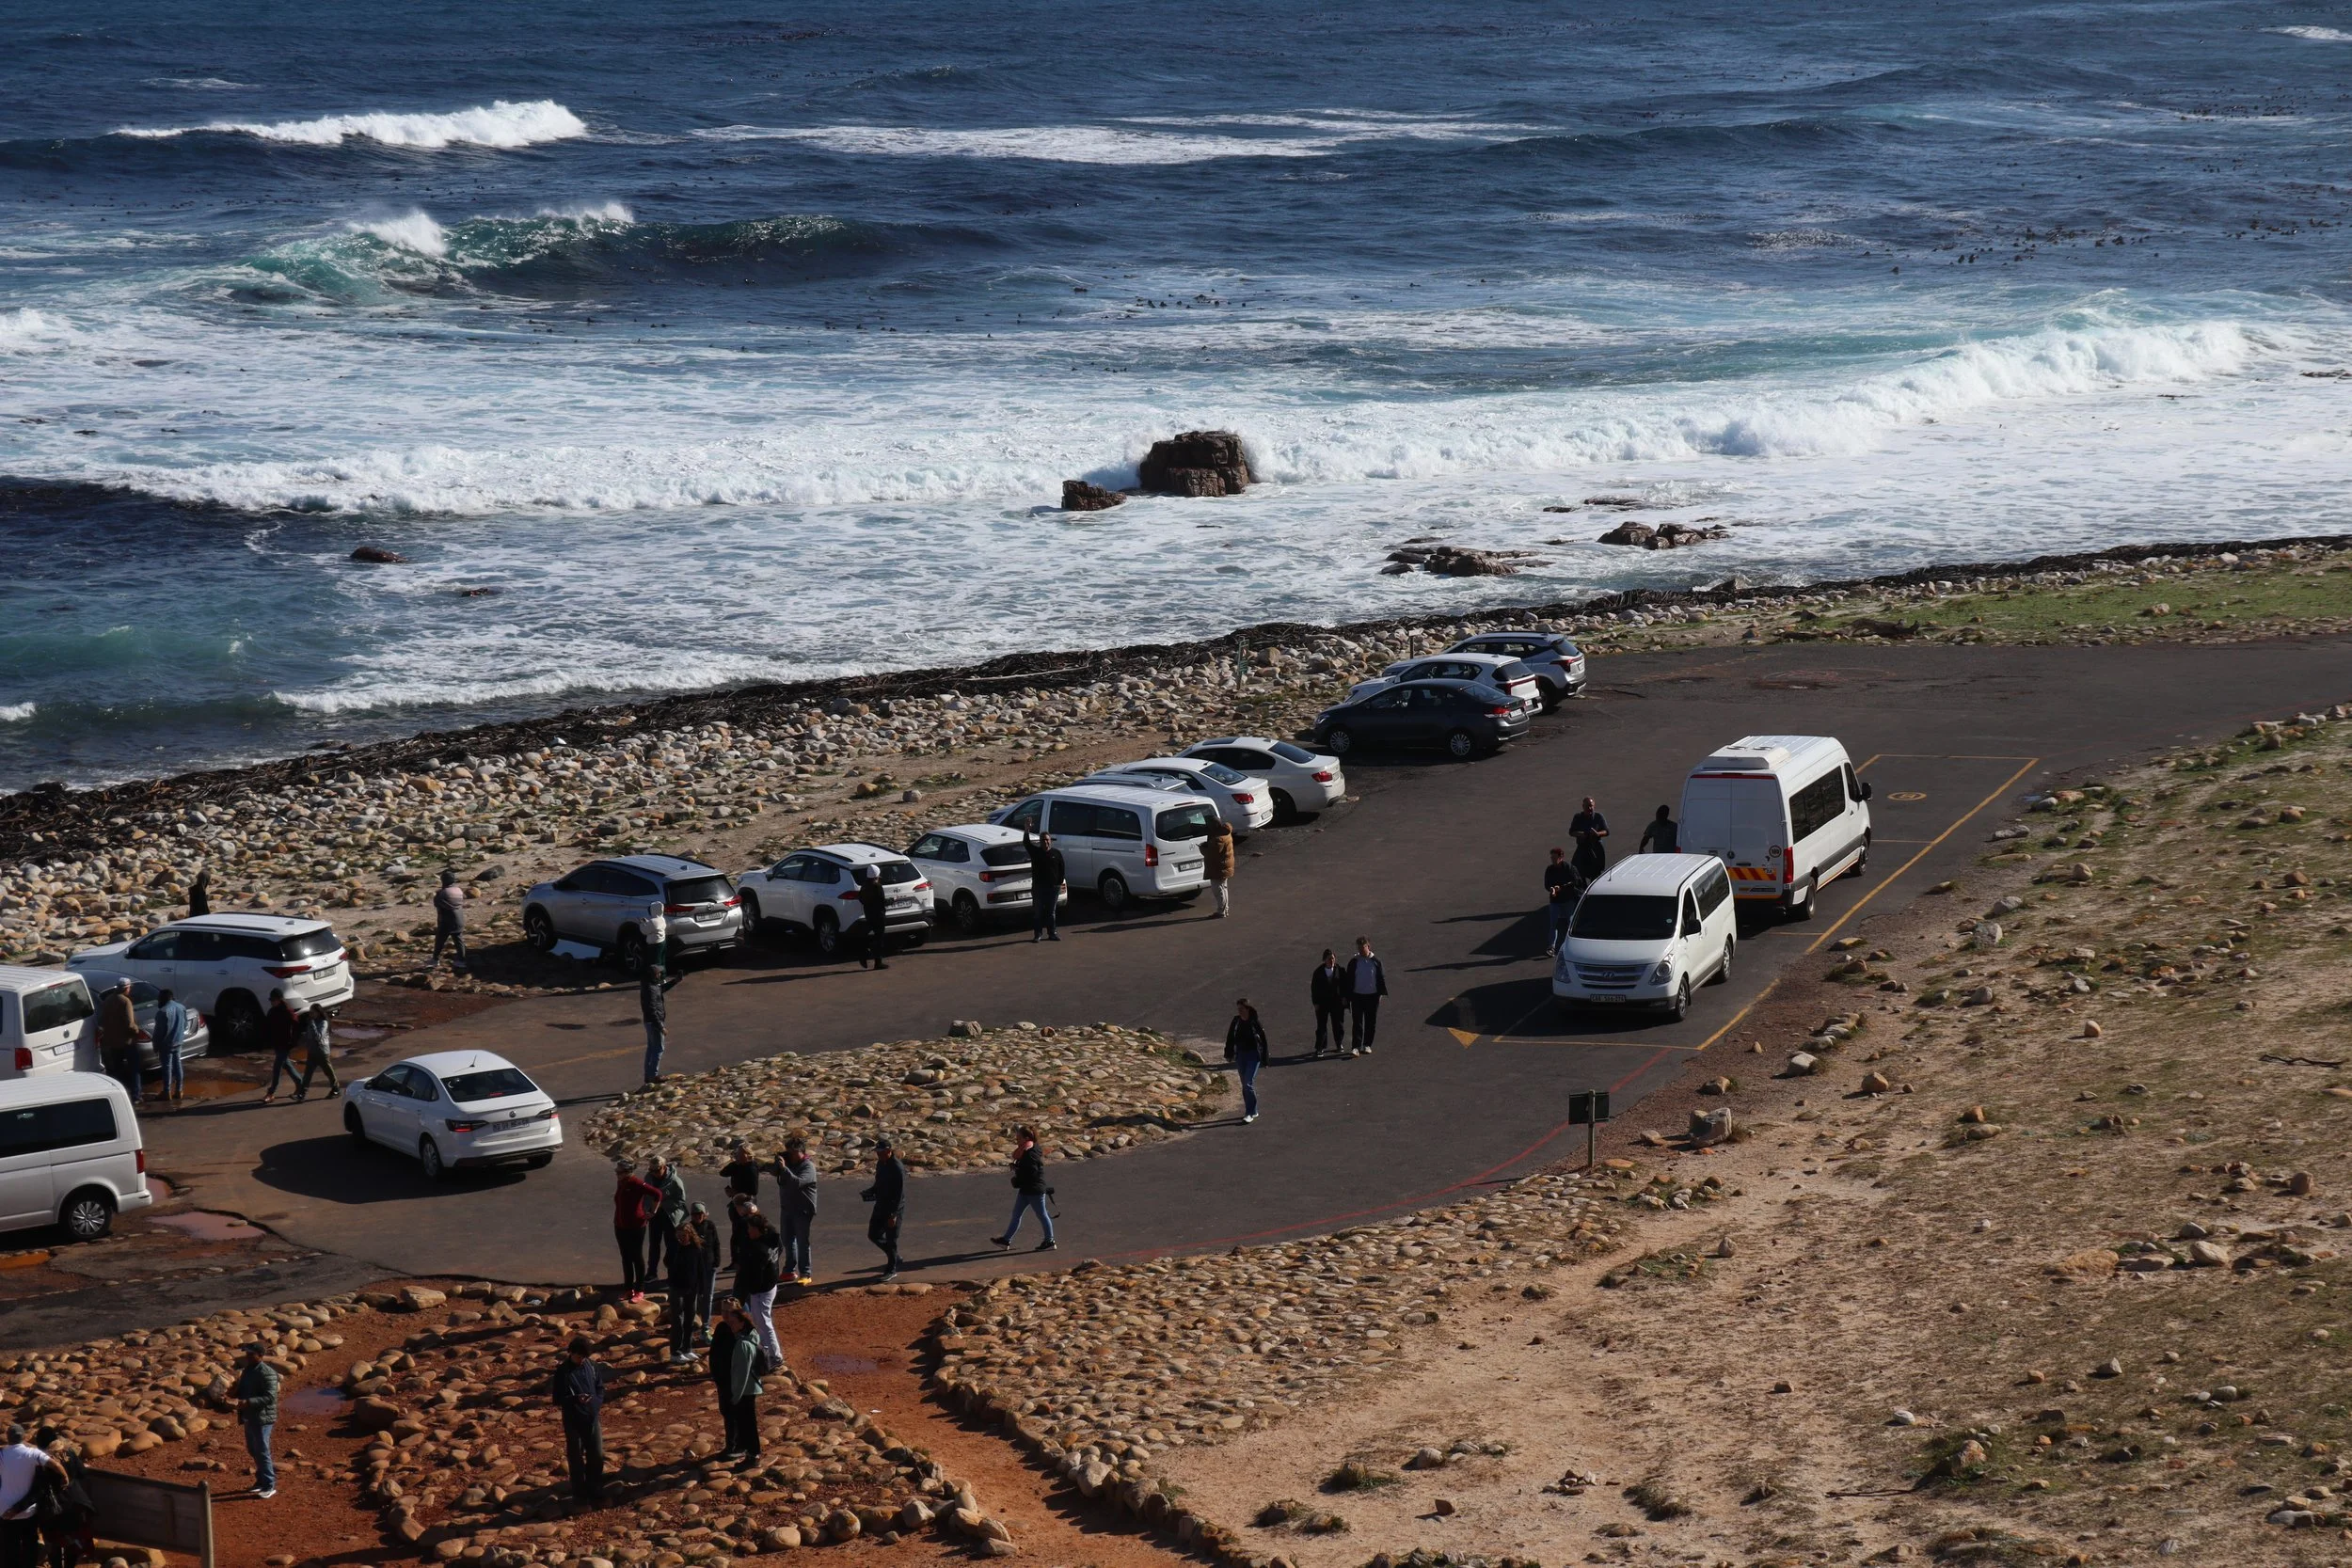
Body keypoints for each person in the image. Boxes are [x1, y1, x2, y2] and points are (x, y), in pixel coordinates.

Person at [550, 1337, 611, 1507]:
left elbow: (600, 1388)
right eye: (579, 1357)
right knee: (576, 1458)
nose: (581, 1360)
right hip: (573, 1420)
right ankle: (579, 1493)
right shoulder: (563, 1372)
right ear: (571, 1353)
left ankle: (595, 1487)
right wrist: (576, 1399)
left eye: (584, 1357)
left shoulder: (591, 1366)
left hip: (592, 1417)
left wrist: (596, 1403)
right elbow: (557, 1399)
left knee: (596, 1455)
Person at [31, 1424, 93, 1568]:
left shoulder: (42, 1460)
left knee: (54, 1546)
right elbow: (83, 1473)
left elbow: (39, 1487)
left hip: (53, 1509)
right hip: (75, 1504)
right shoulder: (69, 1451)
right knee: (72, 1544)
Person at [710, 1300, 764, 1465]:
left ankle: (746, 1452)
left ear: (741, 1319)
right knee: (736, 1418)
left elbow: (742, 1373)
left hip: (740, 1389)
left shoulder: (743, 1342)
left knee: (745, 1422)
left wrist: (736, 1395)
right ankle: (740, 1449)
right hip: (731, 1383)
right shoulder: (728, 1330)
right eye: (723, 1311)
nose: (726, 1316)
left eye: (730, 1314)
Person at [0, 1426, 63, 1565]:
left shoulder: (2, 1454)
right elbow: (56, 1466)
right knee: (30, 1545)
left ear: (8, 1437)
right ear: (23, 1437)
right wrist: (65, 1478)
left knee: (9, 1548)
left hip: (4, 1509)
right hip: (28, 1511)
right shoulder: (33, 1454)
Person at [731, 1209, 785, 1369]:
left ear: (757, 1229)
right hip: (766, 1286)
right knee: (760, 1320)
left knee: (763, 1321)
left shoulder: (758, 1249)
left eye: (750, 1228)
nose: (748, 1231)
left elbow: (752, 1273)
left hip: (762, 1288)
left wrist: (747, 1289)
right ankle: (765, 1352)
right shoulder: (771, 1240)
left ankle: (775, 1356)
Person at [993, 1126, 1056, 1250]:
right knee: (1017, 1214)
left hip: (1034, 1190)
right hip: (1027, 1189)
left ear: (1026, 1138)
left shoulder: (1030, 1153)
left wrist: (1018, 1172)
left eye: (1018, 1137)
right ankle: (1006, 1240)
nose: (1016, 1140)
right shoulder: (1029, 1149)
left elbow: (1032, 1172)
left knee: (1042, 1215)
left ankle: (1050, 1241)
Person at [667, 1204, 716, 1365]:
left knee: (689, 1319)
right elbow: (667, 1262)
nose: (680, 1239)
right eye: (678, 1236)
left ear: (689, 1235)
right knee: (678, 1320)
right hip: (677, 1288)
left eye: (683, 1236)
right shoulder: (674, 1248)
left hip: (692, 1289)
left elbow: (701, 1270)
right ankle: (675, 1351)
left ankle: (687, 1348)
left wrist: (701, 1288)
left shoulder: (697, 1248)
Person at [232, 1342, 279, 1498]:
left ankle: (269, 1485)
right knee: (253, 1449)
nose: (247, 1357)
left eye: (251, 1354)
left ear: (260, 1356)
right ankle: (260, 1481)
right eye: (247, 1354)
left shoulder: (268, 1373)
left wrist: (249, 1402)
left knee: (262, 1450)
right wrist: (233, 1392)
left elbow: (270, 1397)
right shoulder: (248, 1370)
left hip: (262, 1418)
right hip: (249, 1416)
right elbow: (243, 1390)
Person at [612, 1159, 662, 1299]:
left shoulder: (637, 1183)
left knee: (636, 1257)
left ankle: (639, 1289)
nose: (616, 1173)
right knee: (625, 1257)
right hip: (620, 1226)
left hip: (636, 1226)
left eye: (619, 1171)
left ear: (627, 1172)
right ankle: (628, 1289)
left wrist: (652, 1212)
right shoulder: (621, 1182)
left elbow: (657, 1194)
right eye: (616, 1171)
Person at [861, 1136, 906, 1282]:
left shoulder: (897, 1168)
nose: (878, 1155)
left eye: (881, 1152)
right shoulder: (881, 1164)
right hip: (880, 1205)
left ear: (889, 1151)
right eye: (877, 1152)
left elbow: (899, 1193)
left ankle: (891, 1269)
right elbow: (878, 1183)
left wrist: (893, 1214)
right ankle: (895, 1256)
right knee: (873, 1235)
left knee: (892, 1239)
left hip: (893, 1209)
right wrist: (871, 1191)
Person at [94, 979, 146, 1103]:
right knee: (134, 1069)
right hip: (127, 1041)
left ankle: (120, 1096)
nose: (130, 990)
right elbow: (129, 1024)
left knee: (118, 1070)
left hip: (112, 1042)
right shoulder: (125, 1001)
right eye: (129, 988)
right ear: (126, 988)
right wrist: (137, 1031)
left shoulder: (108, 1000)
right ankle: (136, 1096)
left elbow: (102, 1020)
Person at [777, 1137, 818, 1286]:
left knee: (802, 1242)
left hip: (803, 1210)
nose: (789, 1155)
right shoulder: (788, 1163)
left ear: (800, 1151)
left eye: (791, 1152)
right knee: (788, 1240)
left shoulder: (808, 1166)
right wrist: (777, 1165)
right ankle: (789, 1270)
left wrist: (784, 1169)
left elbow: (798, 1182)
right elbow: (773, 1172)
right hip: (787, 1208)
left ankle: (805, 1273)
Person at [638, 959, 681, 1085]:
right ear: (653, 975)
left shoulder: (650, 985)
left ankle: (648, 1075)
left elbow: (661, 989)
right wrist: (661, 1026)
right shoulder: (650, 989)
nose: (660, 975)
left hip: (649, 1022)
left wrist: (675, 981)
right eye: (658, 974)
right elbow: (652, 1010)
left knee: (651, 1048)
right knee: (659, 1049)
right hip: (654, 1022)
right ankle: (653, 1076)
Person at [721, 1140, 763, 1267]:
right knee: (736, 1233)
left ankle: (744, 1260)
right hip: (737, 1201)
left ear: (748, 1155)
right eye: (737, 1154)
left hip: (746, 1204)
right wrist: (735, 1163)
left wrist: (736, 1193)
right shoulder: (738, 1166)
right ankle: (736, 1261)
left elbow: (754, 1190)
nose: (737, 1156)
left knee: (745, 1232)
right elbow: (723, 1173)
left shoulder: (751, 1168)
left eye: (740, 1154)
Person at [1225, 1000, 1268, 1123]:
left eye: (1242, 1009)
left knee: (1248, 1083)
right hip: (1241, 1056)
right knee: (1245, 1085)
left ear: (1248, 1009)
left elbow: (1263, 1041)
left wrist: (1265, 1060)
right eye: (1238, 1009)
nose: (1240, 1012)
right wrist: (1228, 1054)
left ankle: (1249, 1113)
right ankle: (1253, 1110)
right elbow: (1230, 1037)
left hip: (1253, 1056)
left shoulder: (1254, 1022)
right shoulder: (1236, 1021)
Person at [650, 1155, 690, 1290]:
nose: (654, 1173)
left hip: (670, 1217)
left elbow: (681, 1201)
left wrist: (663, 1204)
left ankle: (672, 1274)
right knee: (654, 1244)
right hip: (655, 1215)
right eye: (652, 1170)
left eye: (657, 1170)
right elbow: (645, 1195)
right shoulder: (649, 1178)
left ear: (664, 1167)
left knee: (671, 1245)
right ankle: (651, 1273)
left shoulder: (675, 1181)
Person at [1346, 938, 1387, 1057]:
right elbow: (1349, 979)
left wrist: (1380, 994)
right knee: (1357, 1022)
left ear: (1368, 946)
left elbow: (1381, 978)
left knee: (1370, 1022)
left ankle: (1367, 1044)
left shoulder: (1375, 961)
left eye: (1363, 947)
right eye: (1359, 948)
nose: (1361, 950)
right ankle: (1356, 1047)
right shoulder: (1354, 962)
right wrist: (1348, 996)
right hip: (1357, 996)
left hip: (1372, 997)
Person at [259, 989, 300, 1103]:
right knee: (287, 1065)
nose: (272, 1002)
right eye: (271, 999)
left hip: (285, 1044)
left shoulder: (287, 1012)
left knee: (277, 1067)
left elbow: (296, 1026)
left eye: (273, 1000)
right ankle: (301, 1084)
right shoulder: (272, 1011)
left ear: (279, 1000)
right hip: (276, 1044)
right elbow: (267, 1027)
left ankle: (271, 1092)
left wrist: (293, 1041)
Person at [1024, 829, 1066, 942]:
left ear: (1050, 841)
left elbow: (1062, 868)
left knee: (1051, 912)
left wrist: (1059, 882)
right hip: (1039, 888)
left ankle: (1052, 933)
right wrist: (1027, 829)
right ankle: (1037, 935)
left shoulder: (1056, 853)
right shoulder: (1036, 852)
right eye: (1043, 840)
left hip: (1053, 888)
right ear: (1040, 842)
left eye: (1047, 840)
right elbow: (1026, 843)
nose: (1045, 842)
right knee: (1038, 912)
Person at [293, 1003, 340, 1101]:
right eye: (310, 1012)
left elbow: (318, 1037)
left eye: (313, 1012)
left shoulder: (323, 1023)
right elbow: (308, 1037)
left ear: (318, 1013)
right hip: (312, 1052)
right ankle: (302, 1094)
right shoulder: (311, 1022)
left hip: (322, 1052)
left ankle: (335, 1089)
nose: (311, 1014)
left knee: (328, 1072)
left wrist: (312, 1024)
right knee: (307, 1074)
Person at [151, 987, 189, 1107]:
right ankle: (179, 1090)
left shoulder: (163, 1012)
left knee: (167, 1067)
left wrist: (155, 1046)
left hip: (166, 1043)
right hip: (178, 1041)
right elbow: (185, 1024)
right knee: (178, 1065)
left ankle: (167, 1092)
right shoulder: (181, 1007)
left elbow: (158, 1033)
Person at [1309, 948, 1348, 1057]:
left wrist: (1344, 998)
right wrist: (1316, 1003)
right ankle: (1320, 1047)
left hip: (1337, 1003)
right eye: (1329, 959)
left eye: (1333, 958)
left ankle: (1339, 1044)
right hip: (1323, 1003)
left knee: (1338, 1024)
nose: (1331, 961)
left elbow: (1345, 985)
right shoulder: (1318, 972)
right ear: (1324, 960)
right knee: (1321, 1026)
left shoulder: (1340, 970)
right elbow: (1314, 989)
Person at [1544, 847, 1581, 958]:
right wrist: (1551, 889)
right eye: (1552, 858)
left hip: (1567, 900)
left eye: (1555, 858)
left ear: (1561, 858)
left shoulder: (1569, 868)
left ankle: (1572, 947)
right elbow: (1546, 884)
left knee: (1570, 923)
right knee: (1553, 924)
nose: (1553, 860)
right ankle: (1551, 947)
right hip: (1555, 901)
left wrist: (1561, 888)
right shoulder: (1550, 869)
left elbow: (1576, 881)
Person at [430, 869, 469, 974]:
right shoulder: (459, 890)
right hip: (459, 918)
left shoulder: (442, 892)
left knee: (440, 940)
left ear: (443, 880)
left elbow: (437, 903)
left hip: (447, 920)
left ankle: (435, 959)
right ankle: (461, 960)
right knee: (458, 940)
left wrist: (437, 895)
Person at [1569, 797, 1611, 882]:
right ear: (1583, 806)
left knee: (1596, 874)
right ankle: (1582, 890)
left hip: (1595, 849)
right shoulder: (1578, 817)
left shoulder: (1598, 817)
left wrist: (1598, 834)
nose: (1590, 808)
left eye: (1591, 806)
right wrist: (1582, 834)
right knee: (1577, 871)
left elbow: (1606, 831)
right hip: (1582, 848)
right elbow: (1571, 832)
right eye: (1587, 806)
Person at [856, 866, 890, 969]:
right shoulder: (878, 887)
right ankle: (877, 962)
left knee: (872, 935)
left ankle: (864, 953)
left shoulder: (864, 886)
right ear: (876, 876)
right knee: (879, 938)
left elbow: (861, 899)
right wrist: (891, 901)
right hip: (878, 915)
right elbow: (882, 902)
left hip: (869, 914)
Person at [1201, 817, 1237, 918]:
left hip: (1219, 867)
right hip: (1224, 865)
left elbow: (1211, 853)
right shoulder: (1225, 833)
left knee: (1217, 888)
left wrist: (1203, 848)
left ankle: (1221, 910)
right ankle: (1224, 909)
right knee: (1223, 887)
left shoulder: (1218, 839)